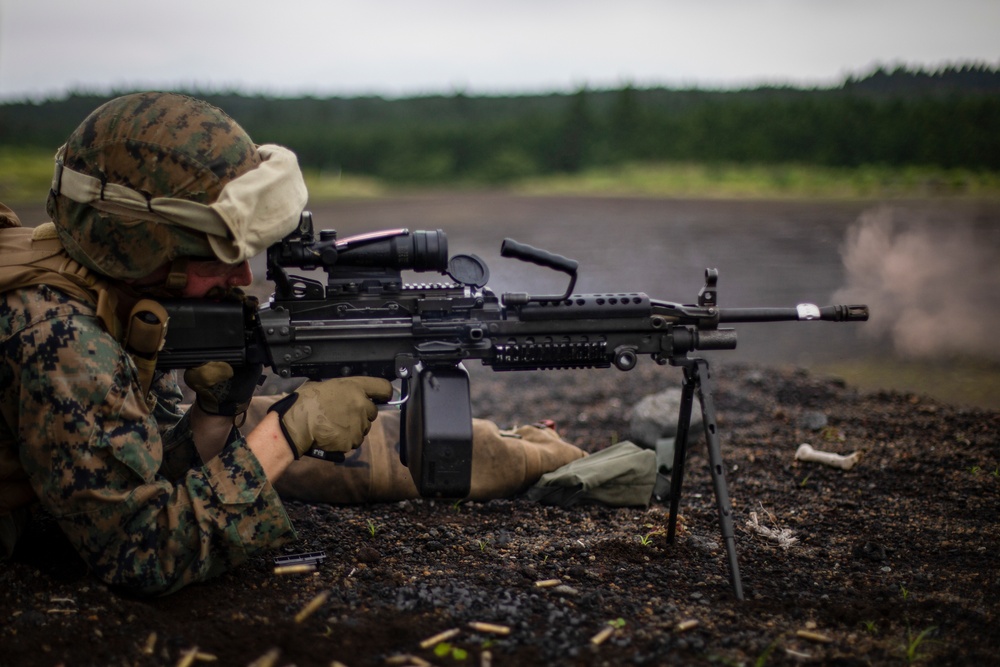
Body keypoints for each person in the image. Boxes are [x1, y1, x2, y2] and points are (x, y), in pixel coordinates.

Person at [0, 92, 393, 595]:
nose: (245, 275)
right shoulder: (61, 336)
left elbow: (143, 477)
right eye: (217, 257)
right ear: (146, 250)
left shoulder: (118, 295)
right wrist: (287, 434)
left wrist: (214, 411)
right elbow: (144, 553)